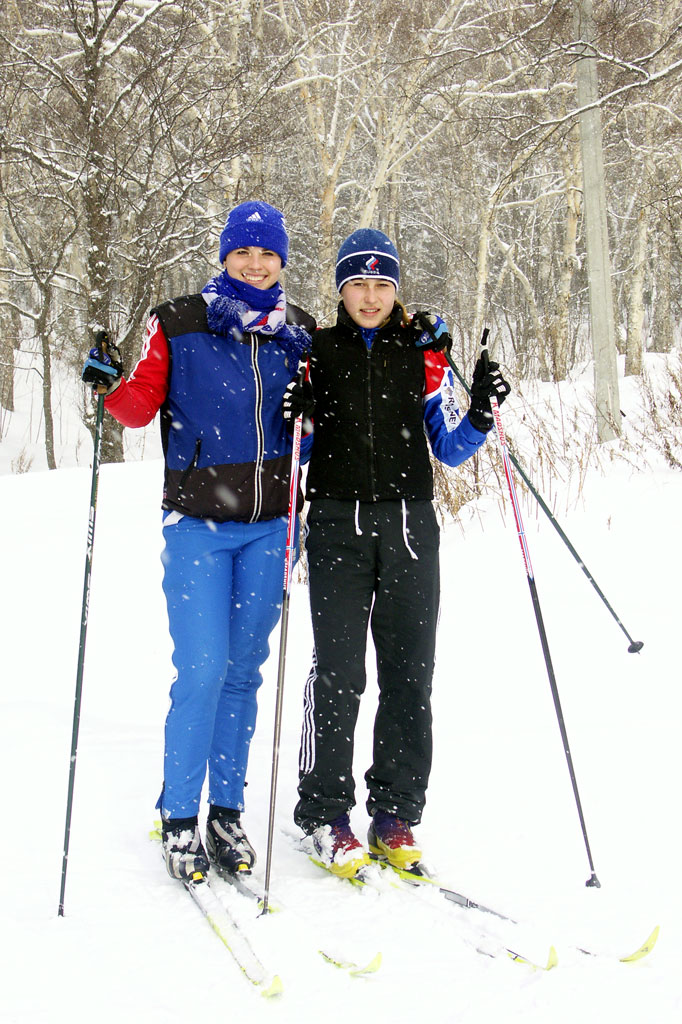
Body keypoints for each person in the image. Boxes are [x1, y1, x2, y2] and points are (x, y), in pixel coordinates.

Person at [82, 201, 315, 881]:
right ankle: (180, 814)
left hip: (272, 526)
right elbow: (135, 408)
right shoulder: (179, 320)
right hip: (198, 527)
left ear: (281, 261)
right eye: (243, 252)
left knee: (244, 674)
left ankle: (227, 812)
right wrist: (107, 384)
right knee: (204, 670)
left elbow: (312, 439)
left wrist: (312, 417)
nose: (255, 263)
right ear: (223, 257)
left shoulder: (296, 333)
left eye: (267, 253)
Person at [288, 228, 509, 879]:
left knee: (410, 674)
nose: (370, 295)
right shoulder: (317, 351)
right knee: (338, 672)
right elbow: (295, 449)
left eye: (382, 284)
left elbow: (449, 446)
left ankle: (394, 811)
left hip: (411, 526)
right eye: (358, 282)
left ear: (396, 290)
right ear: (340, 288)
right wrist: (297, 418)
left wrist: (483, 414)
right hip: (334, 526)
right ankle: (323, 813)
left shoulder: (422, 355)